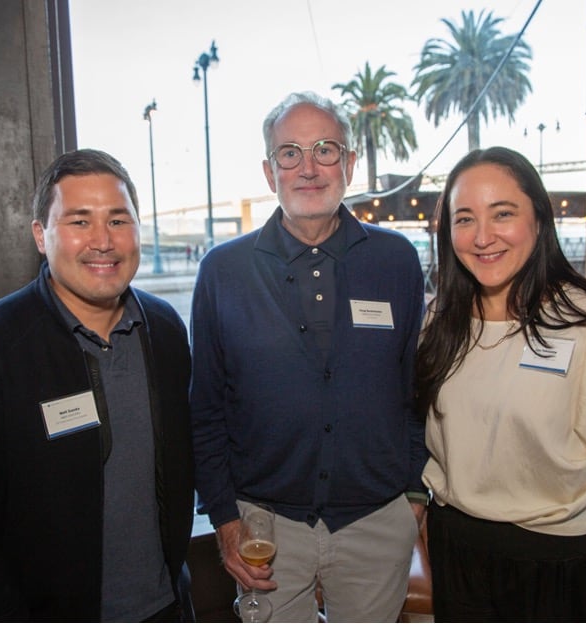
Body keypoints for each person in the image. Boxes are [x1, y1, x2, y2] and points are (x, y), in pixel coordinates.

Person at [0, 149, 194, 622]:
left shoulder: (165, 329)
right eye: (79, 222)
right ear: (40, 236)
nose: (103, 241)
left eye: (119, 220)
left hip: (167, 607)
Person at [190, 91, 427, 622]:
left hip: (376, 521)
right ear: (269, 172)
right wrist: (226, 517)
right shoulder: (223, 271)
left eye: (324, 149)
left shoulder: (396, 260)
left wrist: (413, 494)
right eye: (289, 153)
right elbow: (205, 408)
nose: (308, 167)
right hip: (266, 527)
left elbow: (416, 387)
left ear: (349, 163)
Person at [415, 146, 586, 621]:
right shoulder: (441, 319)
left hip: (557, 558)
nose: (482, 237)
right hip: (457, 544)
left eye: (503, 214)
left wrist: (552, 482)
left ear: (539, 219)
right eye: (465, 218)